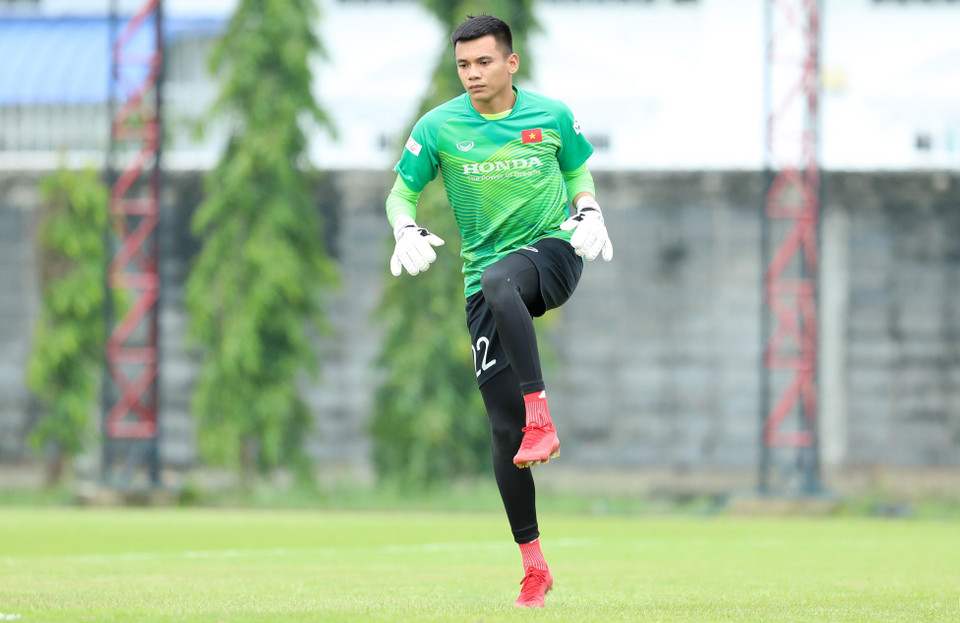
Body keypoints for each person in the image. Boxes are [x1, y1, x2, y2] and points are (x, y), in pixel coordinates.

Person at [384, 14, 613, 608]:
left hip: (553, 255)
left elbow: (577, 169)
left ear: (510, 62)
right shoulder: (438, 127)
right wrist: (403, 226)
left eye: (483, 62)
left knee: (500, 277)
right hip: (486, 289)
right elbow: (400, 191)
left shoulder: (551, 114)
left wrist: (588, 209)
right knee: (503, 432)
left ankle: (543, 414)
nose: (472, 74)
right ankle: (534, 566)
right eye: (463, 65)